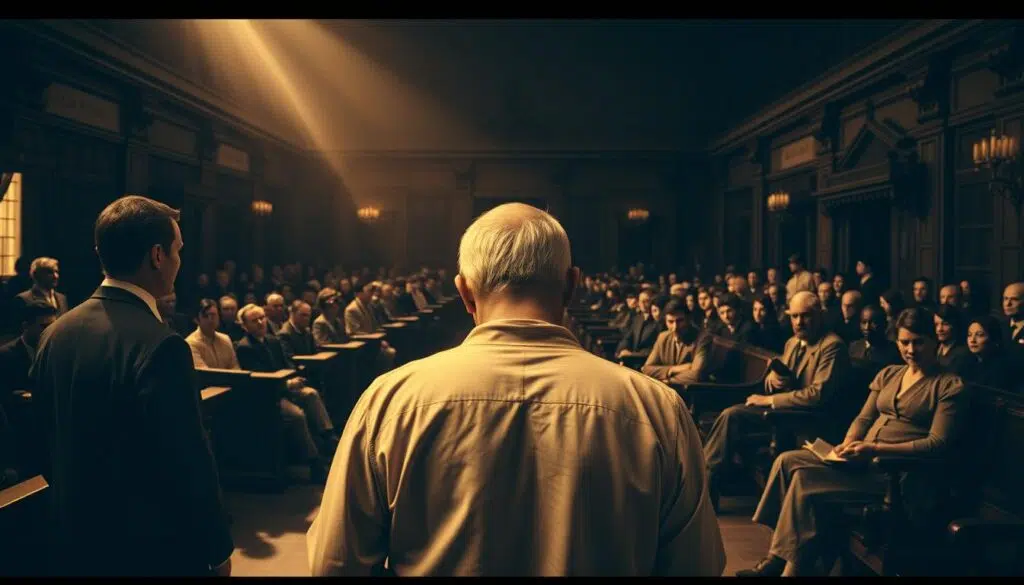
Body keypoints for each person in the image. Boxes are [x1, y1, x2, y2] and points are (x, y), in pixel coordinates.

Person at [307, 203, 724, 576]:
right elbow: (697, 566)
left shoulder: (390, 401)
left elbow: (334, 564)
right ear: (571, 285)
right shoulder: (655, 409)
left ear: (465, 292)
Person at [29, 195, 233, 576]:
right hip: (145, 551)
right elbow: (187, 461)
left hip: (69, 541)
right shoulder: (162, 345)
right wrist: (217, 548)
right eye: (178, 250)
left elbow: (40, 438)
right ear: (157, 256)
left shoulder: (55, 334)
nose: (179, 261)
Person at [740, 308, 967, 576]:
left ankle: (785, 567)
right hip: (861, 461)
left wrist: (875, 449)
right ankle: (780, 557)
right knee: (786, 460)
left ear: (933, 341)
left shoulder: (948, 385)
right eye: (904, 342)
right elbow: (863, 418)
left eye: (918, 342)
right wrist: (847, 444)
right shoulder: (890, 374)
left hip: (898, 476)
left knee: (804, 482)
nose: (910, 350)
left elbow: (937, 443)